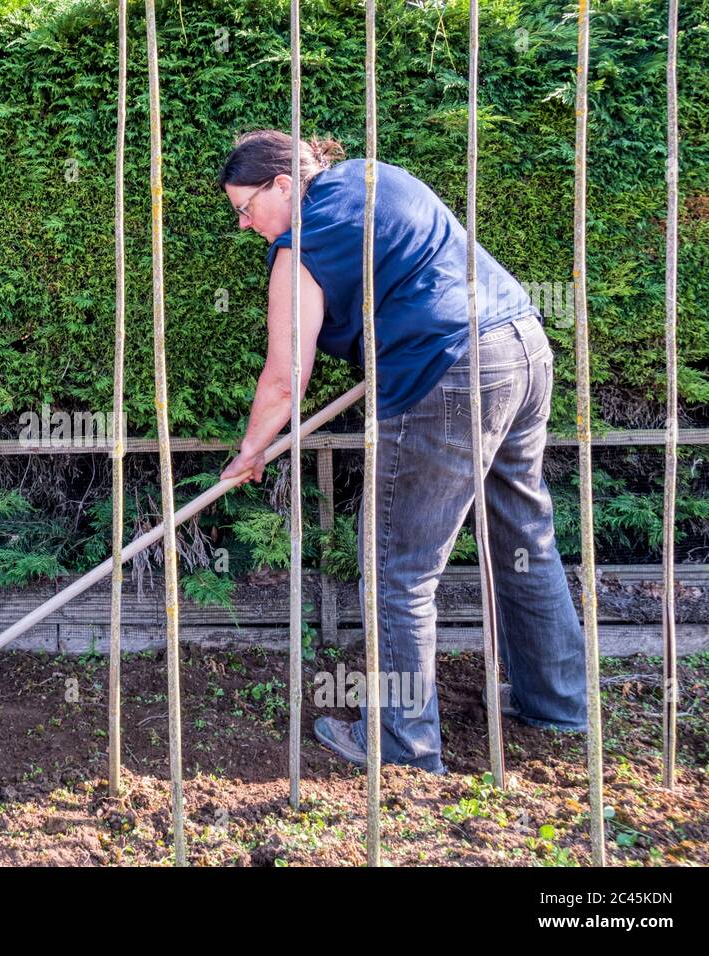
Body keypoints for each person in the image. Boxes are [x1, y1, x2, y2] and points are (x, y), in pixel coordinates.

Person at [216, 129, 588, 775]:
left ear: (282, 183)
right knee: (526, 535)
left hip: (445, 377)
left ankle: (401, 742)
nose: (246, 225)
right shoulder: (376, 176)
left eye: (245, 208)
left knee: (398, 569)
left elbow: (285, 374)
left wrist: (251, 450)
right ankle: (556, 705)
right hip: (520, 347)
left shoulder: (298, 247)